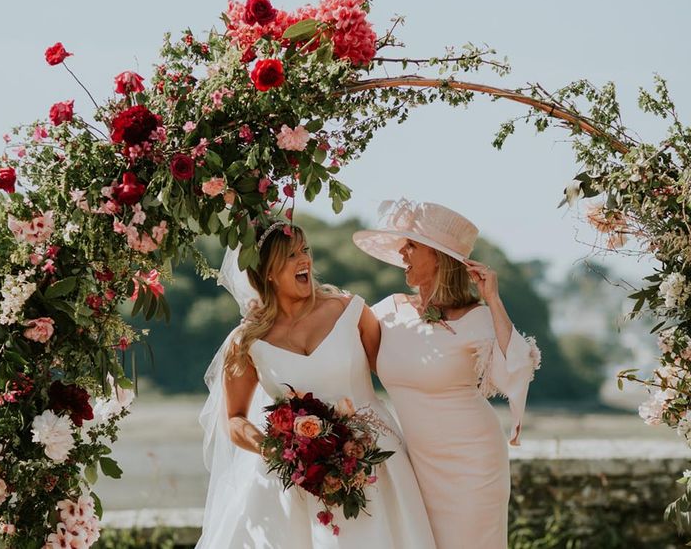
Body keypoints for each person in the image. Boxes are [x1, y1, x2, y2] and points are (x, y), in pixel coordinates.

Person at [197, 221, 436, 549]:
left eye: (305, 250)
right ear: (267, 272)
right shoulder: (247, 341)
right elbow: (235, 419)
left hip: (375, 461)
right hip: (296, 479)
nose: (304, 260)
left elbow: (397, 373)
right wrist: (275, 449)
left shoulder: (349, 310)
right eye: (291, 255)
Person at [353, 199, 541, 549]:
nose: (402, 252)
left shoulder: (477, 318)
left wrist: (494, 301)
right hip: (415, 466)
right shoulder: (388, 312)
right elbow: (342, 347)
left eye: (412, 246)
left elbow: (515, 370)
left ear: (438, 256)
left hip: (474, 465)